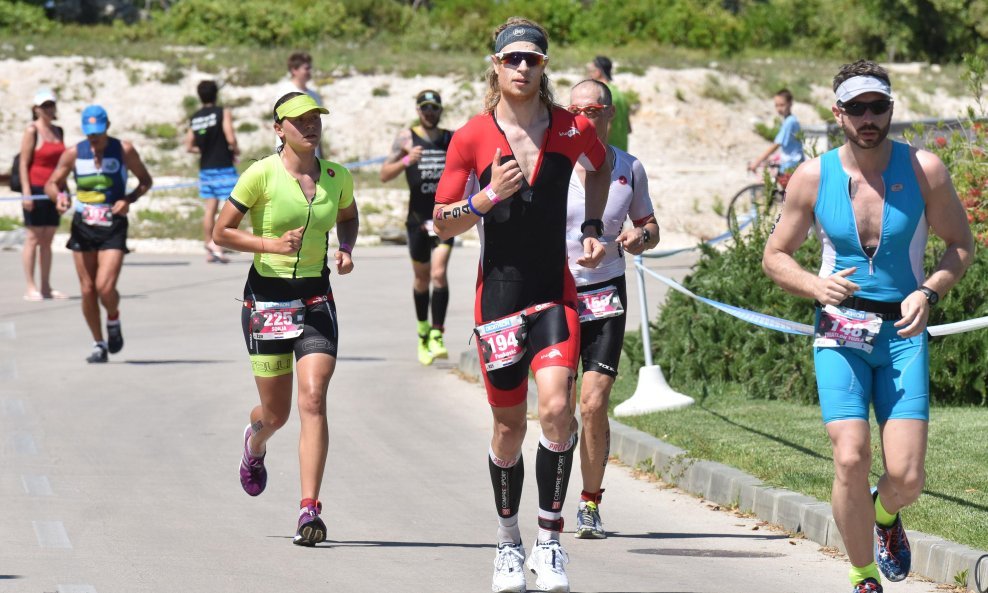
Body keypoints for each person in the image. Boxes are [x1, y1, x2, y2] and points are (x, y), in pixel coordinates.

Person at [762, 60, 974, 593]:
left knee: (906, 477)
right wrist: (815, 285)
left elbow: (960, 246)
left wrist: (928, 291)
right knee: (851, 454)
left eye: (877, 107)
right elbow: (775, 256)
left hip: (902, 337)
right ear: (838, 114)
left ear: (890, 110)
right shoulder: (813, 175)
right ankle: (862, 574)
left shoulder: (924, 169)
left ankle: (884, 517)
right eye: (856, 108)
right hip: (840, 332)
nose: (868, 118)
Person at [433, 17, 611, 593]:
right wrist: (486, 198)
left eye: (531, 59)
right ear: (495, 66)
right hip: (499, 299)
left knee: (558, 408)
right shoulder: (471, 137)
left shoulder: (570, 127)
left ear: (544, 66)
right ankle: (508, 543)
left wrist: (589, 221)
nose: (522, 68)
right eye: (512, 59)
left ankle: (550, 541)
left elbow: (602, 166)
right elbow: (440, 223)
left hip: (553, 294)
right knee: (508, 425)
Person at [213, 91, 358, 547]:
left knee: (313, 398)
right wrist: (270, 246)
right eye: (298, 120)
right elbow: (221, 232)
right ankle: (254, 444)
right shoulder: (261, 174)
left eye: (315, 118)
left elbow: (349, 217)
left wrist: (346, 248)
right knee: (276, 414)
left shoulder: (337, 176)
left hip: (315, 297)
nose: (309, 125)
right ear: (279, 128)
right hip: (267, 299)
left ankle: (309, 509)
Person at [564, 79, 660, 540]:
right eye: (575, 109)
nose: (583, 117)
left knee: (594, 402)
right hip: (555, 294)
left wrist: (637, 238)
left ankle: (590, 502)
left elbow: (650, 227)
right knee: (557, 406)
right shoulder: (552, 165)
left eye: (593, 109)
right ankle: (551, 500)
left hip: (605, 292)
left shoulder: (628, 167)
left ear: (609, 115)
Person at [45, 105, 153, 363]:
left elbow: (145, 180)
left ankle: (113, 319)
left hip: (113, 223)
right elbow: (52, 183)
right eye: (90, 133)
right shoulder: (74, 153)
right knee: (87, 289)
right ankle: (98, 343)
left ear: (107, 127)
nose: (94, 138)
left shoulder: (124, 149)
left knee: (105, 287)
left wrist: (129, 199)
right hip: (83, 225)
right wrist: (59, 197)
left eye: (99, 132)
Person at [379, 89, 455, 365]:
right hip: (415, 219)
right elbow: (384, 175)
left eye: (434, 108)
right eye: (425, 108)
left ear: (441, 110)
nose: (430, 113)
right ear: (418, 110)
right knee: (422, 278)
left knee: (438, 274)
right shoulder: (406, 138)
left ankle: (438, 334)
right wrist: (405, 160)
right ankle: (423, 331)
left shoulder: (450, 138)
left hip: (443, 218)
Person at [19, 88, 67, 301]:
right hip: (36, 188)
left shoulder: (59, 131)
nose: (48, 109)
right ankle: (31, 286)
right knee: (33, 237)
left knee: (48, 238)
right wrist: (26, 191)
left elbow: (63, 163)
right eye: (44, 106)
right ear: (36, 109)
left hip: (55, 188)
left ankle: (46, 286)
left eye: (50, 105)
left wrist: (64, 190)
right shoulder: (32, 131)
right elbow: (23, 162)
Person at [184, 79, 239, 263]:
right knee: (230, 207)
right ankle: (220, 244)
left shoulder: (196, 117)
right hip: (223, 166)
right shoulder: (222, 113)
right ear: (216, 94)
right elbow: (230, 137)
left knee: (210, 209)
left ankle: (209, 245)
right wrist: (235, 149)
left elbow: (189, 145)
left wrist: (205, 150)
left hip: (206, 167)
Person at [748, 88, 804, 187]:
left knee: (785, 196)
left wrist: (757, 161)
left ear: (790, 103)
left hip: (791, 165)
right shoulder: (789, 120)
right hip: (790, 162)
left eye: (782, 105)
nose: (779, 108)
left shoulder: (790, 122)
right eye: (776, 105)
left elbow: (776, 144)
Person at [276, 52, 328, 158]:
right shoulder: (285, 92)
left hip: (312, 155)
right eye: (306, 68)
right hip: (289, 155)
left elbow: (317, 126)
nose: (310, 71)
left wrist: (321, 156)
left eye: (310, 68)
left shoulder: (314, 95)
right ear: (294, 70)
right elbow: (281, 123)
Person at [586, 56, 631, 152]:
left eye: (590, 71)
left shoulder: (603, 93)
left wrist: (596, 152)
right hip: (622, 153)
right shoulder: (620, 94)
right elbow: (628, 128)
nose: (589, 74)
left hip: (608, 156)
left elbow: (607, 126)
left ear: (598, 72)